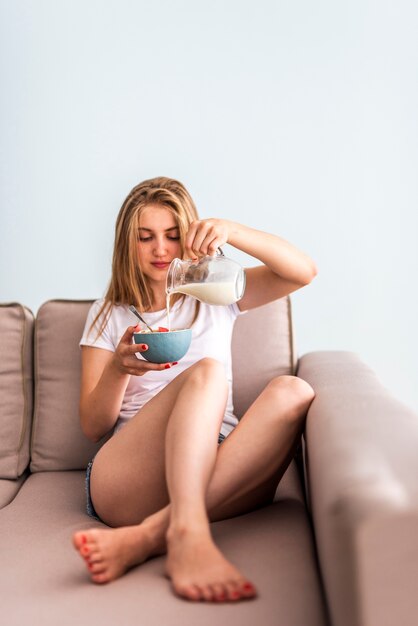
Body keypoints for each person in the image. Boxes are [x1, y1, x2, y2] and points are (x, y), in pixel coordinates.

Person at [72, 176, 317, 603]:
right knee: (206, 372)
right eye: (145, 237)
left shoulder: (214, 295)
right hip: (130, 474)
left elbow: (302, 272)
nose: (160, 249)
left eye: (171, 236)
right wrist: (117, 370)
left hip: (221, 459)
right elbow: (94, 427)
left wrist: (231, 230)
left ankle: (150, 536)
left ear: (188, 238)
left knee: (293, 391)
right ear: (126, 244)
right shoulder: (106, 314)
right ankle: (188, 535)